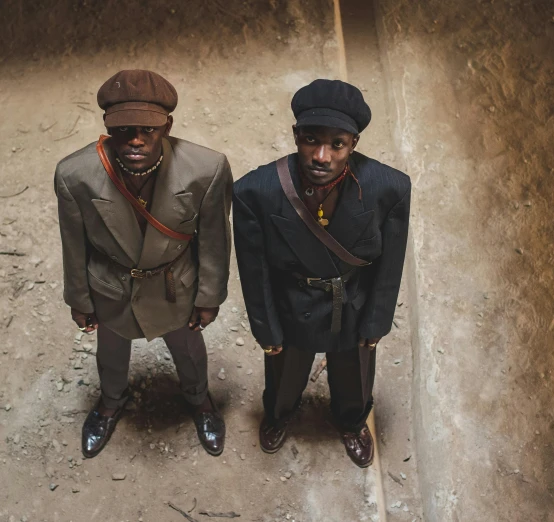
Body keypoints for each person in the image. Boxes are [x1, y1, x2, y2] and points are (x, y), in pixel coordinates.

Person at [54, 70, 232, 458]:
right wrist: (79, 299)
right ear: (106, 126)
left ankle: (200, 400)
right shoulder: (75, 175)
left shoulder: (206, 169)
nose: (135, 140)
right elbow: (73, 244)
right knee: (111, 351)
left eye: (147, 130)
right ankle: (111, 402)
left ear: (167, 124)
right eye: (123, 129)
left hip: (175, 283)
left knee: (188, 348)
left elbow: (215, 240)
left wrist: (209, 296)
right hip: (110, 284)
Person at [233, 79, 411, 467]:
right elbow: (253, 268)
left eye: (337, 144)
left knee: (355, 375)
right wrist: (266, 328)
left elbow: (390, 263)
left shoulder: (388, 188)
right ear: (296, 135)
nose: (321, 155)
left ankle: (351, 421)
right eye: (311, 140)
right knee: (284, 373)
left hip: (352, 302)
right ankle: (279, 415)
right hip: (291, 303)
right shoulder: (255, 192)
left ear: (354, 144)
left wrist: (376, 321)